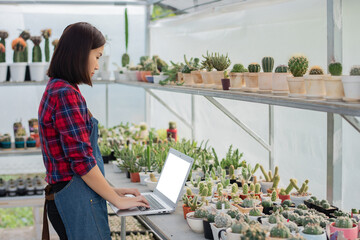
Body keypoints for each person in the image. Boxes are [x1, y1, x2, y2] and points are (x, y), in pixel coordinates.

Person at [38, 22, 149, 240]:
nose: (98, 66)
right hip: (75, 200)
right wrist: (116, 200)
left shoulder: (58, 87)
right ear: (80, 53)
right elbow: (81, 162)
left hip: (73, 195)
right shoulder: (65, 94)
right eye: (97, 56)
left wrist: (110, 191)